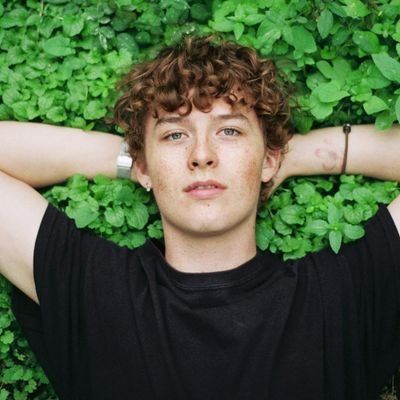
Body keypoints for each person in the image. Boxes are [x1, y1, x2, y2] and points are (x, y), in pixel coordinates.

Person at [1, 35, 400, 400]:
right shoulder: (94, 287)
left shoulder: (343, 294)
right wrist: (138, 160)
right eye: (175, 135)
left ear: (269, 160)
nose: (201, 154)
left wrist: (291, 157)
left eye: (229, 132)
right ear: (142, 168)